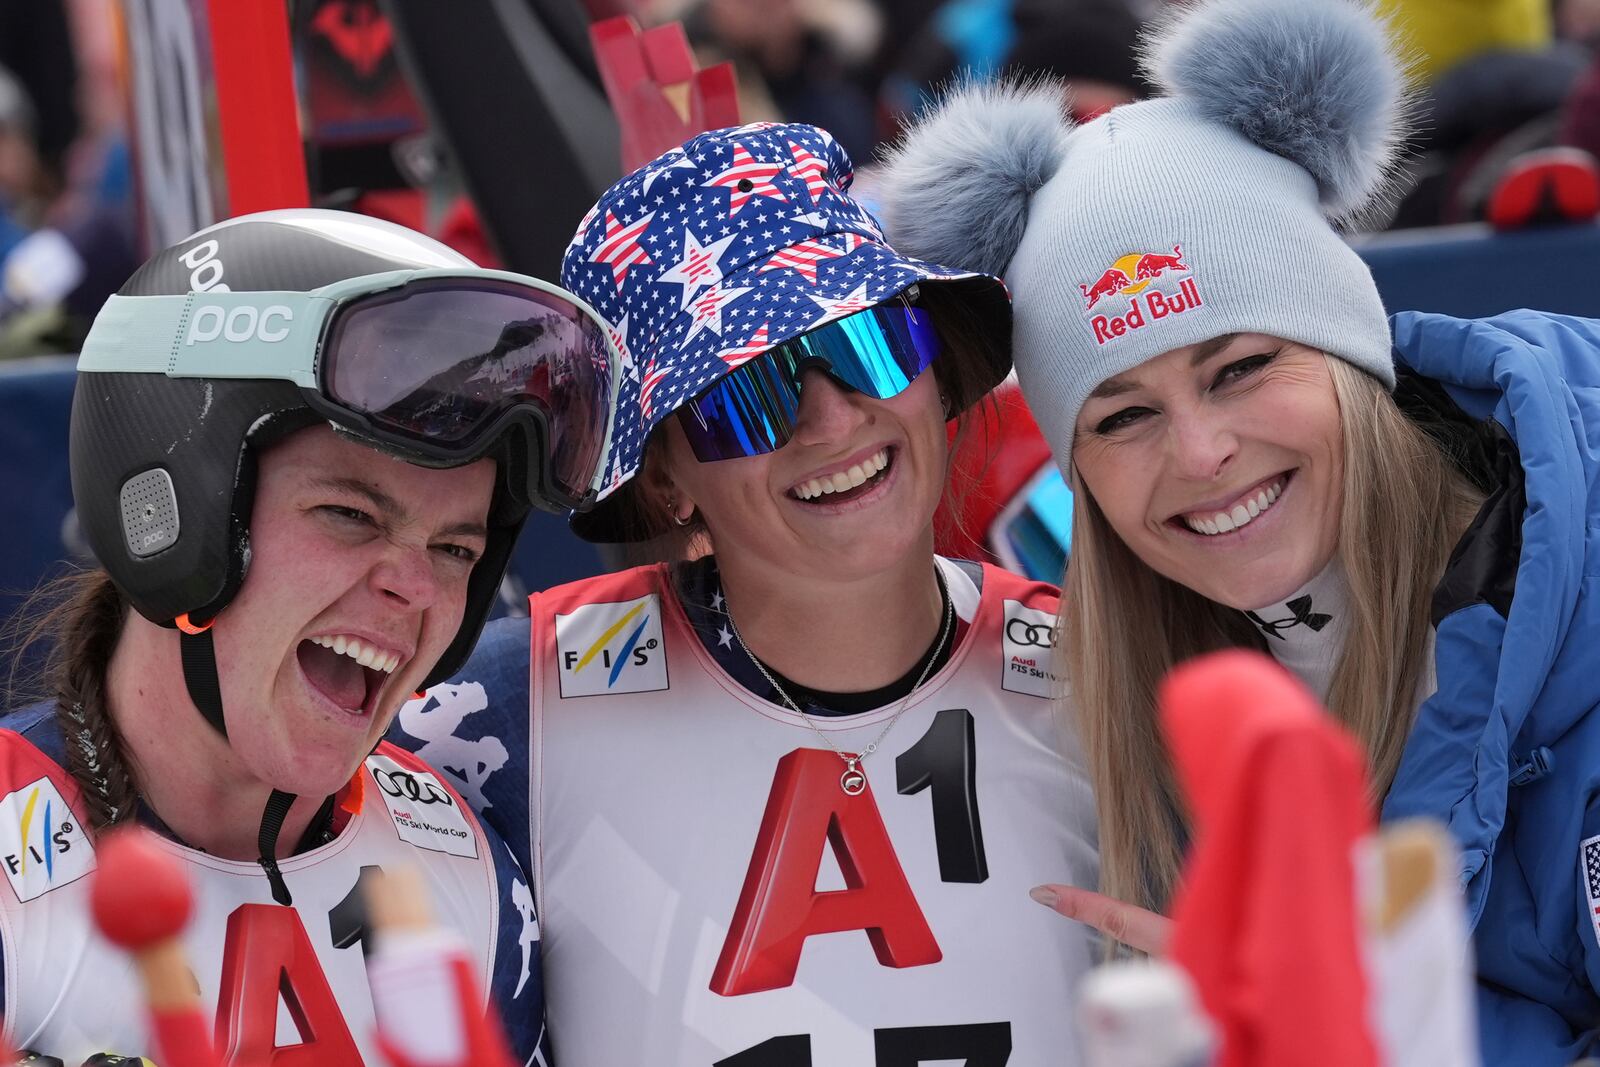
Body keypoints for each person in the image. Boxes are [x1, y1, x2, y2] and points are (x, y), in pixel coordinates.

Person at [879, 0, 1600, 1059]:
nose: (1201, 451)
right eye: (1122, 415)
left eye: (1242, 366)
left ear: (1351, 358)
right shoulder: (1125, 699)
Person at [389, 121, 1100, 1063]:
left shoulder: (1106, 675)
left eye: (869, 344)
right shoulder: (496, 716)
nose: (832, 418)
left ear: (933, 371)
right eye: (746, 395)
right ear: (667, 478)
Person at [0, 207, 620, 1063]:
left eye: (454, 549)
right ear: (170, 514)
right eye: (350, 514)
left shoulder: (460, 868)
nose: (413, 587)